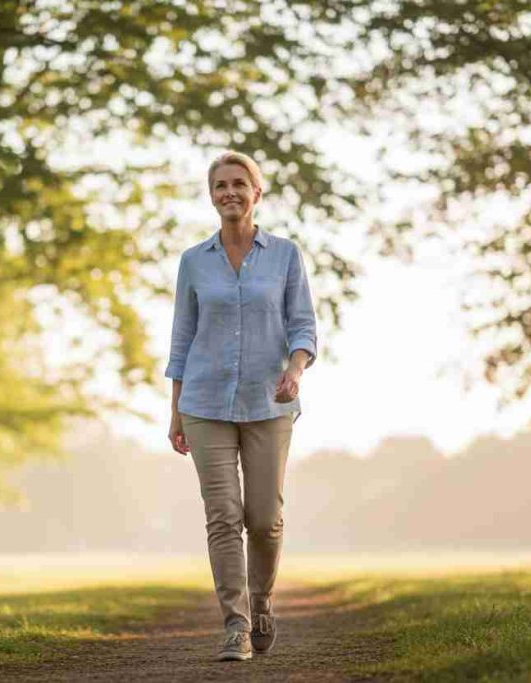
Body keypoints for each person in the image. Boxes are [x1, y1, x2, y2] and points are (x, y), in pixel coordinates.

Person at [165, 150, 318, 662]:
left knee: (264, 517)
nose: (229, 192)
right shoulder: (193, 261)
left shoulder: (285, 255)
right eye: (219, 186)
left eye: (238, 184)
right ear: (211, 196)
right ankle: (235, 623)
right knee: (223, 515)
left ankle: (263, 599)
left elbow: (303, 326)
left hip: (268, 404)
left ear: (257, 193)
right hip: (204, 403)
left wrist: (294, 371)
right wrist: (175, 409)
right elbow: (182, 338)